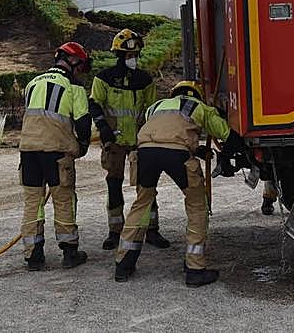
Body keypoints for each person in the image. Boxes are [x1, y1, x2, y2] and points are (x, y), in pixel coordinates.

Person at [114, 80, 248, 287]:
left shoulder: (156, 107)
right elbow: (227, 135)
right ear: (196, 94)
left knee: (142, 203)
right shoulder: (199, 107)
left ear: (173, 93)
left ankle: (123, 264)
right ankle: (195, 269)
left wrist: (195, 149)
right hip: (177, 155)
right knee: (196, 207)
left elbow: (164, 135)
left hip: (145, 153)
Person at [89, 29, 169, 251]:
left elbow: (152, 110)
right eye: (128, 56)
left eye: (135, 55)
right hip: (113, 141)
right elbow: (94, 104)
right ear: (119, 56)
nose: (133, 59)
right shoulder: (103, 78)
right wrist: (103, 127)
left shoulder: (145, 80)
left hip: (139, 142)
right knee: (113, 184)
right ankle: (115, 231)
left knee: (146, 185)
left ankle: (151, 230)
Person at [18, 42, 92, 271]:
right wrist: (82, 145)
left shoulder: (33, 83)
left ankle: (33, 256)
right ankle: (70, 252)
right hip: (57, 152)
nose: (80, 71)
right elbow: (82, 120)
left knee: (33, 203)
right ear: (73, 62)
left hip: (28, 150)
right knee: (63, 199)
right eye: (80, 66)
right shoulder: (73, 85)